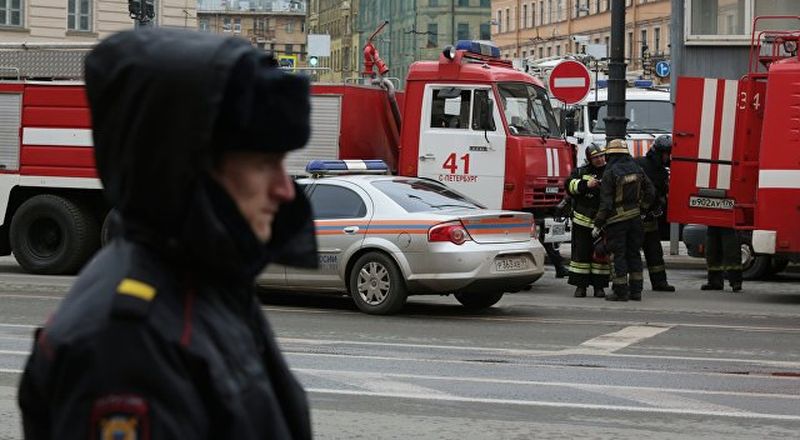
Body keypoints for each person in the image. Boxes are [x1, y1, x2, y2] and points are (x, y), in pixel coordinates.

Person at [18, 28, 317, 439]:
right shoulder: (127, 343)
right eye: (264, 163)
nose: (286, 189)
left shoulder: (205, 285)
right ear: (189, 170)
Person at [593, 139, 655, 302]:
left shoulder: (610, 172)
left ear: (610, 155)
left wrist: (598, 223)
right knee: (634, 254)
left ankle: (621, 291)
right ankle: (636, 291)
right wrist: (642, 209)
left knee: (617, 255)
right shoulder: (637, 168)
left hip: (617, 221)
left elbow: (606, 204)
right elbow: (650, 192)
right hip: (635, 220)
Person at [565, 143, 610, 298]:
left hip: (602, 222)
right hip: (582, 221)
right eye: (595, 157)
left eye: (601, 156)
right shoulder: (581, 172)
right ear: (589, 159)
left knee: (600, 257)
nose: (599, 160)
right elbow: (569, 186)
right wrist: (586, 184)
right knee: (581, 255)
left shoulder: (610, 171)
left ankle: (599, 287)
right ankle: (580, 287)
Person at [635, 135, 676, 292]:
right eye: (667, 153)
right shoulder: (640, 165)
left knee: (655, 253)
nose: (668, 157)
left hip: (650, 218)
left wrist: (660, 205)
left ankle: (659, 283)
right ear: (660, 153)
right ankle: (631, 284)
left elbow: (660, 194)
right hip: (636, 218)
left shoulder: (660, 171)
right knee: (633, 253)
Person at [702, 226, 743, 292]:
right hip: (713, 223)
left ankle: (736, 282)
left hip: (728, 223)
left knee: (731, 251)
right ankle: (715, 282)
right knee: (711, 251)